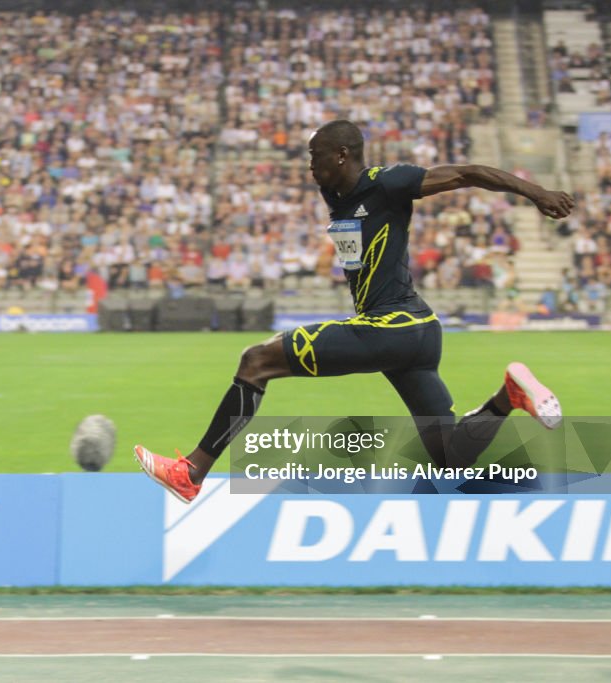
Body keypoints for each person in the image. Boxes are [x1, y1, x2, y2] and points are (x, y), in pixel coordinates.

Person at [134, 120, 575, 503]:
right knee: (450, 457)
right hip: (416, 335)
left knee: (256, 361)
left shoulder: (388, 182)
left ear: (342, 155)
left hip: (391, 327)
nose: (309, 165)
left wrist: (535, 192)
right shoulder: (338, 198)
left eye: (316, 156)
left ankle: (191, 472)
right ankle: (508, 397)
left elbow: (467, 173)